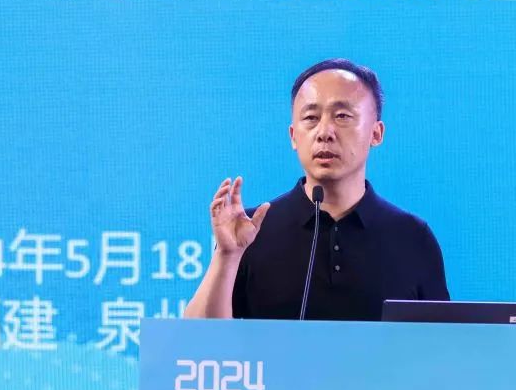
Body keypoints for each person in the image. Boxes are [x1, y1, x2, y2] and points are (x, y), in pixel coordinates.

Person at [183, 59, 449, 321]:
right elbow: (198, 339)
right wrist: (227, 256)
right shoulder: (252, 231)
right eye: (311, 117)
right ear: (293, 136)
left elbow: (443, 341)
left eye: (342, 116)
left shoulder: (412, 237)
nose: (324, 132)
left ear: (376, 133)